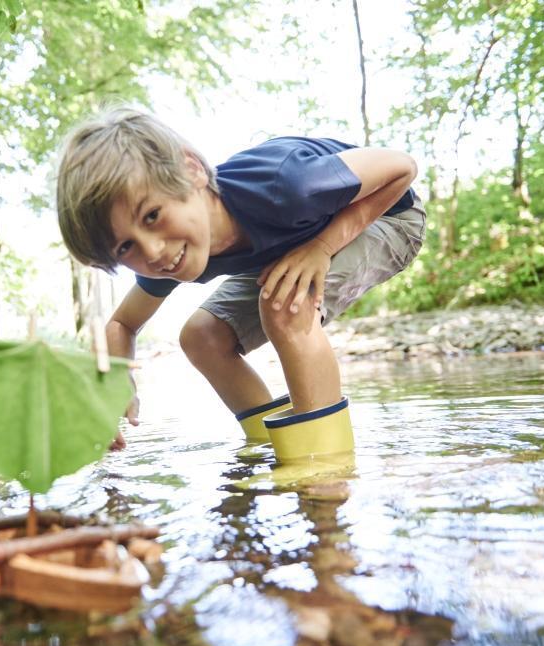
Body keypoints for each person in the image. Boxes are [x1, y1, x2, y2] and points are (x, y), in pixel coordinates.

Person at [56, 107, 425, 456]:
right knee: (202, 336)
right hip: (299, 241)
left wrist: (322, 247)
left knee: (284, 303)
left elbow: (400, 167)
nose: (151, 252)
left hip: (389, 216)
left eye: (152, 215)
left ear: (192, 172)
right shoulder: (174, 251)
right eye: (125, 247)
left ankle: (323, 468)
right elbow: (122, 323)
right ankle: (270, 447)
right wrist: (114, 386)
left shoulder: (286, 186)